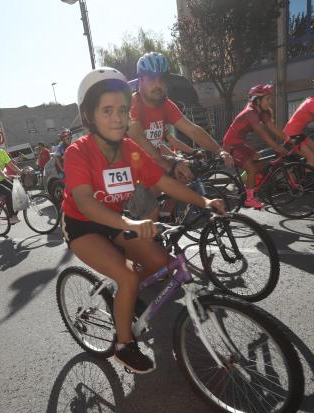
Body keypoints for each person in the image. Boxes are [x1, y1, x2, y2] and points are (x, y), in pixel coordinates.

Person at [61, 67, 226, 374]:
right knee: (127, 278)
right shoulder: (78, 152)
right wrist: (132, 225)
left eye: (122, 110)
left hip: (118, 222)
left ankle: (127, 298)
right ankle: (124, 346)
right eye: (107, 110)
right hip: (82, 226)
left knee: (163, 266)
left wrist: (204, 201)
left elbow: (163, 182)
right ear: (89, 116)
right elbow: (84, 201)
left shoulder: (129, 149)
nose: (118, 118)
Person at [126, 52, 234, 219]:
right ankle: (155, 224)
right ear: (140, 81)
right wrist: (168, 165)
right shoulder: (134, 104)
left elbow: (192, 129)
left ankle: (167, 212)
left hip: (153, 162)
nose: (158, 84)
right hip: (132, 169)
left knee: (188, 170)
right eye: (151, 79)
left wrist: (219, 150)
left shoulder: (165, 104)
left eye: (161, 79)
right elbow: (138, 139)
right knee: (151, 221)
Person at [222, 84, 291, 209]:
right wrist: (276, 147)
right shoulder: (250, 112)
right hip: (230, 145)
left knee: (258, 158)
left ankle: (248, 184)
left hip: (240, 143)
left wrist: (288, 139)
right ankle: (249, 199)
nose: (270, 102)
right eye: (267, 99)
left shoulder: (261, 111)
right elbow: (261, 132)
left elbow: (272, 127)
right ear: (257, 100)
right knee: (252, 169)